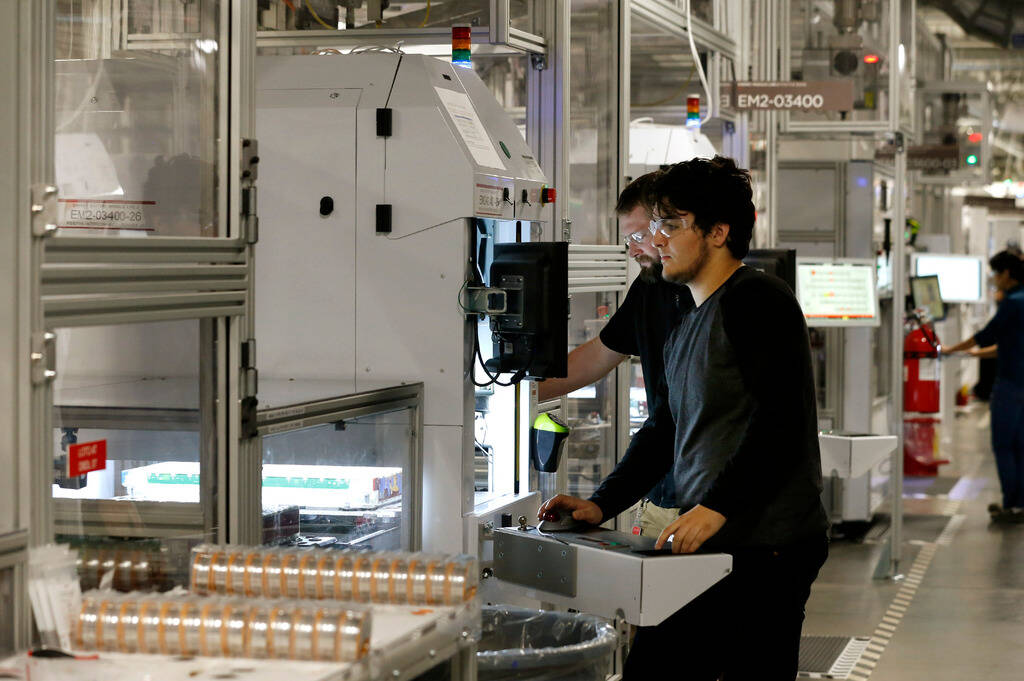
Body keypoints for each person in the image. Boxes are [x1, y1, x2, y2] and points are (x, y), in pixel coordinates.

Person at [538, 156, 829, 680]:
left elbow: (781, 422)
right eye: (655, 227)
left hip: (766, 546)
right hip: (709, 538)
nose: (656, 241)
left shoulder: (757, 300)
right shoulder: (687, 314)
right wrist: (602, 503)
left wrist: (717, 506)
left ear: (718, 232)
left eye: (670, 226)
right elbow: (665, 427)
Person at [537, 172, 692, 536]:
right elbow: (600, 356)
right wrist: (515, 393)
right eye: (630, 240)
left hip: (714, 509)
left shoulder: (735, 304)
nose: (638, 248)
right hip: (663, 495)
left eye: (641, 235)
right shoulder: (651, 288)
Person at [942, 250, 1024, 523]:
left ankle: (1012, 505)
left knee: (1003, 445)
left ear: (1007, 274)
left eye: (995, 274)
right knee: (1020, 446)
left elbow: (985, 335)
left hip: (1011, 385)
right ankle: (1019, 505)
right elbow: (1007, 344)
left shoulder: (1012, 302)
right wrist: (976, 355)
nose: (993, 279)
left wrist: (950, 349)